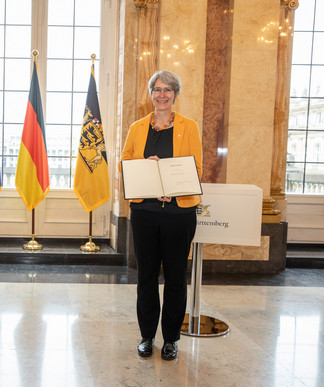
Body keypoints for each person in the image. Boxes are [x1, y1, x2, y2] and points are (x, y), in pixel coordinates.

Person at [120, 70, 202, 360]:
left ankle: (170, 340)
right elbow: (125, 166)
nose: (162, 94)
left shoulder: (189, 127)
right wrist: (146, 165)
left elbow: (196, 169)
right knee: (146, 276)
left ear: (175, 94)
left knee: (176, 277)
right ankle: (146, 337)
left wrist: (175, 189)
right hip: (145, 211)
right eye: (157, 89)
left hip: (179, 212)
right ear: (151, 93)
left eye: (168, 89)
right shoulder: (137, 127)